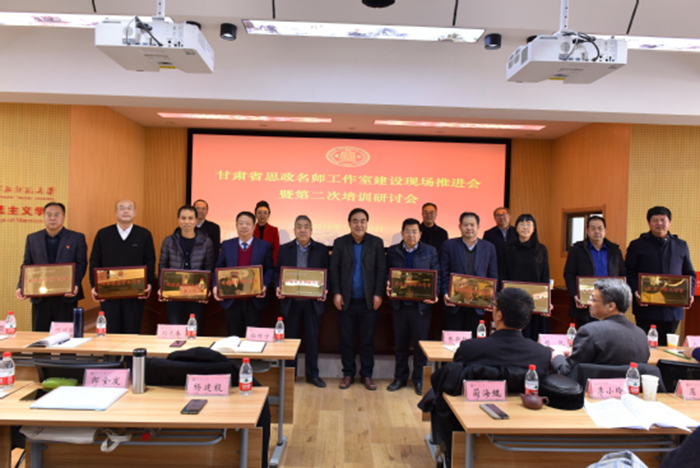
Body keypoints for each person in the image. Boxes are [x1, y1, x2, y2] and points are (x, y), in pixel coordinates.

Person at [329, 208, 386, 391]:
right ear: (349, 223)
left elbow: (381, 270)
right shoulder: (340, 243)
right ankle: (348, 374)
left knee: (367, 341)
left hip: (369, 301)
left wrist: (378, 293)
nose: (359, 224)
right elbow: (334, 269)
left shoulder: (376, 243)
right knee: (346, 340)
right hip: (346, 301)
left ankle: (367, 375)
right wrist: (336, 292)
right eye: (355, 221)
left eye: (362, 221)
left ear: (367, 223)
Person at [626, 206, 695, 346]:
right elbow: (628, 272)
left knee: (667, 346)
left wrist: (689, 293)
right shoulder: (637, 245)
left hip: (672, 309)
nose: (659, 223)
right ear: (649, 223)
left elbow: (689, 273)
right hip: (646, 307)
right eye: (655, 220)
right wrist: (635, 290)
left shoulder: (681, 245)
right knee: (645, 346)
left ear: (670, 222)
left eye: (663, 220)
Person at [274, 215, 329, 388]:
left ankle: (312, 375)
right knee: (290, 342)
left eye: (306, 227)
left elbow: (328, 273)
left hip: (313, 303)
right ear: (294, 230)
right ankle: (290, 376)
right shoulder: (285, 249)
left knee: (312, 341)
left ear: (311, 230)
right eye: (299, 227)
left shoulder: (321, 249)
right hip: (291, 302)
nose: (302, 230)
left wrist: (325, 289)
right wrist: (278, 286)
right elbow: (277, 272)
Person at [551, 279, 650, 375]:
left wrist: (557, 356)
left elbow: (566, 371)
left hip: (588, 386)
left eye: (593, 299)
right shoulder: (641, 334)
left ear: (611, 306)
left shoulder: (589, 331)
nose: (589, 303)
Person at [385, 218, 439, 395]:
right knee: (400, 344)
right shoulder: (393, 251)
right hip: (400, 306)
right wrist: (387, 283)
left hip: (421, 308)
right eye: (408, 231)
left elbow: (437, 275)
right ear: (402, 233)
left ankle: (419, 380)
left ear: (420, 234)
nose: (411, 235)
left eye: (415, 231)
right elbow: (387, 273)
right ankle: (399, 378)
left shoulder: (430, 251)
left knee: (420, 346)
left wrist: (435, 293)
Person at [15, 202, 88, 331]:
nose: (52, 218)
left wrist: (75, 284)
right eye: (49, 215)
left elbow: (81, 264)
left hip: (66, 296)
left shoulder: (76, 238)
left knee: (65, 335)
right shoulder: (33, 238)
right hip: (40, 296)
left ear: (63, 217)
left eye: (56, 215)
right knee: (40, 334)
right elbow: (27, 264)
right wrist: (21, 286)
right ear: (43, 217)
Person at [89, 199, 156, 334]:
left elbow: (150, 261)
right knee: (111, 331)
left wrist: (148, 283)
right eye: (122, 208)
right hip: (109, 292)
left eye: (129, 208)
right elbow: (95, 261)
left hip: (135, 293)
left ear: (135, 212)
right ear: (116, 212)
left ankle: (129, 349)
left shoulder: (144, 234)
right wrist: (95, 286)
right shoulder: (103, 234)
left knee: (132, 330)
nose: (126, 211)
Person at [213, 211, 273, 337]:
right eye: (241, 223)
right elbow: (219, 267)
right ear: (236, 225)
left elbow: (269, 269)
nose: (244, 226)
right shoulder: (227, 245)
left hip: (254, 301)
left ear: (254, 226)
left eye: (247, 223)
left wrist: (265, 285)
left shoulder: (264, 246)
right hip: (232, 300)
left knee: (253, 338)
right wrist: (215, 286)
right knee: (233, 337)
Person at [440, 212, 498, 336]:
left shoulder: (489, 247)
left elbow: (492, 274)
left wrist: (491, 297)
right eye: (465, 225)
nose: (469, 228)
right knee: (453, 340)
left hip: (478, 304)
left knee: (474, 341)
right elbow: (444, 272)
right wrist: (445, 292)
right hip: (454, 302)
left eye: (472, 225)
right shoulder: (449, 245)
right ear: (460, 226)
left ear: (478, 227)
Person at [563, 216, 626, 328]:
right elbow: (569, 274)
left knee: (609, 336)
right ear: (587, 231)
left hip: (609, 304)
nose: (597, 231)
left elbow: (622, 275)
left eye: (600, 228)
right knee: (588, 335)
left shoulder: (615, 251)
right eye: (593, 228)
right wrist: (575, 294)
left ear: (605, 230)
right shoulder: (577, 250)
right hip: (586, 304)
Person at [157, 205, 215, 325]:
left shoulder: (206, 241)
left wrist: (207, 289)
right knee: (175, 328)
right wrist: (162, 288)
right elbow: (163, 265)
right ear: (178, 220)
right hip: (174, 292)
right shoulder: (169, 241)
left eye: (190, 218)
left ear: (196, 220)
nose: (187, 222)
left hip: (196, 293)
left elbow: (209, 267)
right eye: (183, 218)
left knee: (194, 329)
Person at [499, 214, 551, 341]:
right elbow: (503, 275)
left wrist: (547, 300)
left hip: (535, 300)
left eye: (529, 224)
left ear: (534, 229)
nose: (525, 227)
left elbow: (545, 276)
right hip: (513, 299)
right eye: (522, 224)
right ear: (516, 228)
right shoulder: (507, 249)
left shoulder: (541, 249)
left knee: (533, 335)